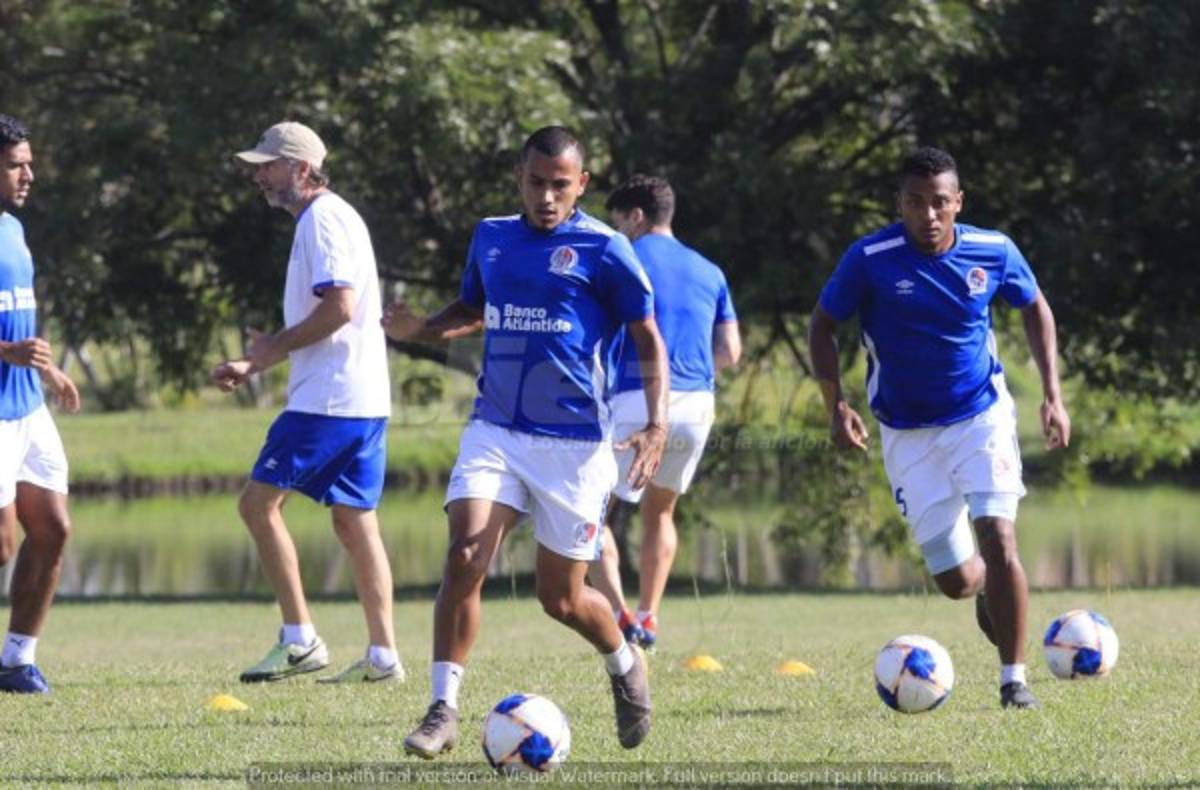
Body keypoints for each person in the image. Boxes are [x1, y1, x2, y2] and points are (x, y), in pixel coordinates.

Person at [383, 126, 668, 758]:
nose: (546, 197)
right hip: (497, 429)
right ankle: (442, 709)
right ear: (519, 177)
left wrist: (656, 425)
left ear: (581, 185)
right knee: (464, 557)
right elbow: (474, 308)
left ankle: (624, 664)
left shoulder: (606, 248)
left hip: (573, 446)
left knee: (560, 599)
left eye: (560, 186)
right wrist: (421, 330)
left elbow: (647, 336)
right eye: (536, 183)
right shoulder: (492, 236)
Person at [808, 146, 1071, 709]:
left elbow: (1034, 306)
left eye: (939, 203)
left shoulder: (992, 249)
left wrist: (1053, 395)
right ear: (899, 204)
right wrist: (836, 405)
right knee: (956, 581)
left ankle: (1013, 680)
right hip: (906, 431)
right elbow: (822, 324)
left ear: (958, 203)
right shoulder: (869, 257)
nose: (928, 215)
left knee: (1000, 536)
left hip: (981, 415)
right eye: (915, 203)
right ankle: (985, 593)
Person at [212, 121, 403, 685]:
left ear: (300, 168)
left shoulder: (321, 220)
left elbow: (339, 307)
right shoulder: (332, 216)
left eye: (268, 165)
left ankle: (299, 639)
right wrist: (263, 357)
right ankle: (383, 657)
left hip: (329, 400)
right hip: (363, 399)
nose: (258, 175)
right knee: (354, 521)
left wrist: (265, 352)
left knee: (256, 505)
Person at [586, 175, 741, 651]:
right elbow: (731, 351)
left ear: (636, 216)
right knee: (661, 511)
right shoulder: (710, 271)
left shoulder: (619, 258)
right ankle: (650, 617)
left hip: (633, 399)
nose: (618, 231)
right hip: (696, 405)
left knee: (590, 514)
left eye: (619, 221)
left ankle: (618, 612)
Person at [0, 113, 81, 694]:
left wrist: (47, 368)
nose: (28, 174)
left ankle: (16, 660)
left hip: (29, 408)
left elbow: (17, 311)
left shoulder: (13, 228)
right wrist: (7, 349)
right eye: (15, 165)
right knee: (2, 543)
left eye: (29, 162)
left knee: (52, 529)